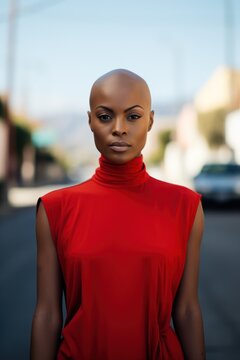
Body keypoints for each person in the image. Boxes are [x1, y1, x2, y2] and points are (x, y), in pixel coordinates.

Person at [30, 69, 206, 360]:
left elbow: (187, 309)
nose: (119, 128)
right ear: (89, 121)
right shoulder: (54, 208)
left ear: (150, 120)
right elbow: (47, 315)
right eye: (105, 116)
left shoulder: (185, 207)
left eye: (133, 116)